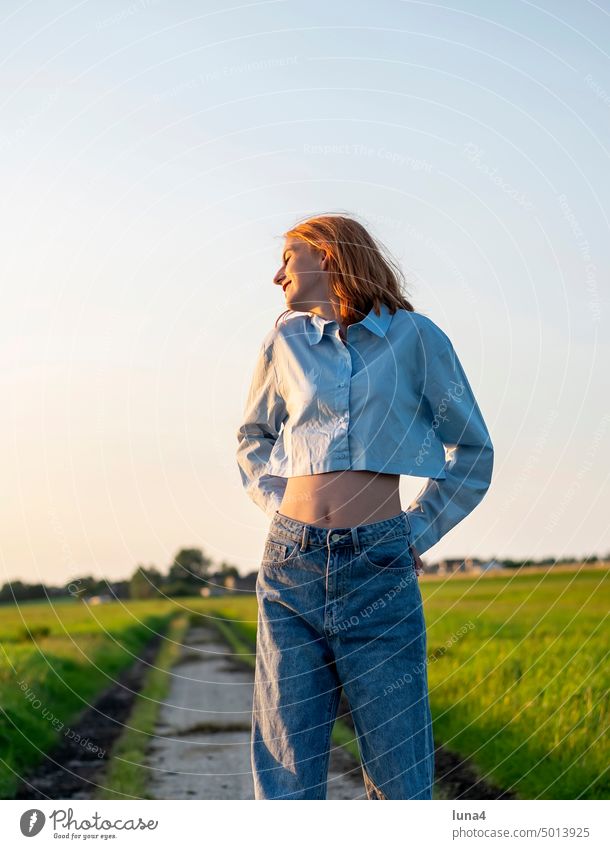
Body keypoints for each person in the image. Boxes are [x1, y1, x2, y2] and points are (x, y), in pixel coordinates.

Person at [236, 213, 494, 799]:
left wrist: (416, 531)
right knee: (286, 777)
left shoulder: (417, 339)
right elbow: (253, 438)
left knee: (401, 778)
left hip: (379, 571)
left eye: (288, 257)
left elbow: (473, 448)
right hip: (290, 568)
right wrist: (280, 506)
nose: (277, 275)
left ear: (325, 255)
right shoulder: (284, 343)